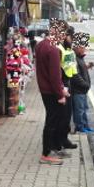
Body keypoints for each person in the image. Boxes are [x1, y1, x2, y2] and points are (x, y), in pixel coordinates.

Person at [35, 19, 70, 165]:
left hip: (44, 89)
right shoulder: (54, 49)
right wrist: (61, 94)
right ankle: (46, 154)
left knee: (51, 120)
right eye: (63, 33)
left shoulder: (41, 45)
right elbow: (55, 76)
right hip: (51, 91)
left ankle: (50, 150)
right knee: (52, 122)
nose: (64, 37)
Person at [57, 25, 78, 151]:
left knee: (67, 114)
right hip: (62, 85)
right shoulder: (59, 49)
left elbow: (72, 68)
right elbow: (56, 70)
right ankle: (58, 140)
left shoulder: (70, 50)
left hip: (69, 84)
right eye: (71, 36)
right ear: (65, 36)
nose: (73, 39)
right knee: (61, 115)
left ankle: (64, 139)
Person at [70, 32, 94, 133]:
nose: (84, 49)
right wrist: (85, 84)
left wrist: (87, 66)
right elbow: (75, 75)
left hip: (82, 90)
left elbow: (80, 70)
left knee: (84, 109)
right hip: (78, 90)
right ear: (76, 47)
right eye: (82, 47)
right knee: (79, 110)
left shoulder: (80, 57)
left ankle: (85, 125)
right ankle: (80, 127)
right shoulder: (74, 58)